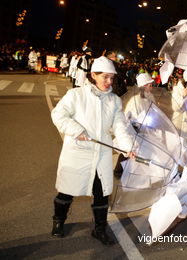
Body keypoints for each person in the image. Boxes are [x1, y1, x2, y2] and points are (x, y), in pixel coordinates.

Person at [50, 56, 136, 245]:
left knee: (102, 192)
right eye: (105, 77)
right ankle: (58, 222)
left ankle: (99, 229)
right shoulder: (76, 95)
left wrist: (127, 147)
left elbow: (120, 127)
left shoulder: (114, 101)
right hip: (78, 153)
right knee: (66, 190)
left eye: (112, 78)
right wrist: (76, 130)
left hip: (101, 155)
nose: (109, 82)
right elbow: (58, 114)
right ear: (93, 75)